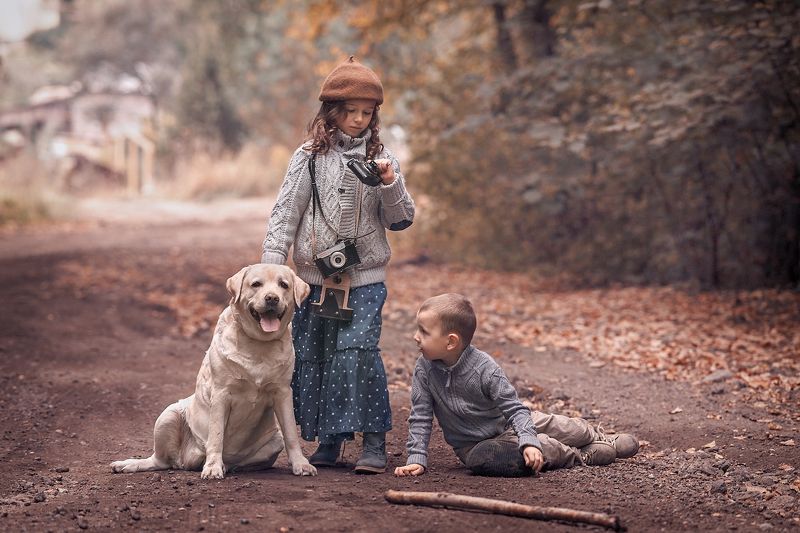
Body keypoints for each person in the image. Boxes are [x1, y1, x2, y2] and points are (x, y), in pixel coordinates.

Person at [261, 56, 415, 474]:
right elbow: (284, 215)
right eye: (350, 112)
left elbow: (401, 220)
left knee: (357, 353)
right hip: (312, 282)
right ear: (331, 112)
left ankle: (373, 445)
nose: (359, 120)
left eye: (367, 113)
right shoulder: (308, 156)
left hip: (364, 280)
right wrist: (272, 276)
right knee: (316, 355)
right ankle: (328, 442)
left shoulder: (383, 158)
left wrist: (389, 183)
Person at [394, 293, 639, 477]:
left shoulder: (484, 368)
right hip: (476, 446)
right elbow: (420, 417)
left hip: (508, 423)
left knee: (563, 427)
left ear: (451, 342)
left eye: (424, 332)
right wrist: (417, 457)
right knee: (537, 449)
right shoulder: (424, 369)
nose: (416, 336)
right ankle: (581, 455)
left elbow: (515, 410)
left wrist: (527, 437)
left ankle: (597, 437)